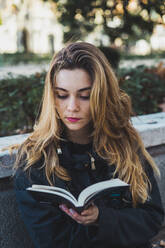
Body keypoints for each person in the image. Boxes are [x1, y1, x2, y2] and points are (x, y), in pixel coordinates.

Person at [14, 41, 164, 248]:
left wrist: (101, 218)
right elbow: (50, 241)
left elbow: (152, 218)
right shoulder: (35, 159)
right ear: (52, 97)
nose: (72, 107)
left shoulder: (124, 145)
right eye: (62, 95)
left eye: (85, 96)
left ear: (101, 96)